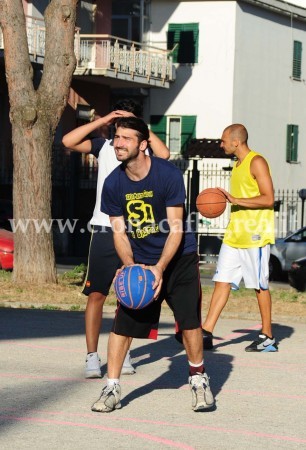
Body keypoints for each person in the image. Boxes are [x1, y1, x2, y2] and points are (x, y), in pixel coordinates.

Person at [91, 117, 215, 413]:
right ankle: (112, 387)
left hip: (179, 258)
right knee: (123, 326)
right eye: (116, 137)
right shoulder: (113, 183)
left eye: (126, 138)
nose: (118, 143)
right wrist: (131, 266)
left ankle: (198, 379)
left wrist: (160, 267)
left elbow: (176, 228)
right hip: (142, 260)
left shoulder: (167, 175)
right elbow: (119, 232)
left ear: (143, 144)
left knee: (189, 322)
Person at [62, 100, 170, 378]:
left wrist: (139, 124)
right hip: (104, 230)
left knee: (132, 295)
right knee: (97, 295)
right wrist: (104, 119)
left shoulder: (139, 147)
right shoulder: (104, 146)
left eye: (127, 125)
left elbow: (165, 154)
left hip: (135, 231)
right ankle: (91, 356)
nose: (121, 132)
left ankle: (125, 352)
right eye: (118, 125)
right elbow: (68, 140)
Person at [202, 123, 277, 352]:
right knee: (221, 281)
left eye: (223, 140)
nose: (221, 144)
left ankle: (267, 337)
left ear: (237, 142)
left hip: (255, 235)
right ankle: (206, 332)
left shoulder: (257, 161)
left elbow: (268, 199)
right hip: (234, 235)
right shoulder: (237, 164)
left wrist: (236, 200)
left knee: (259, 286)